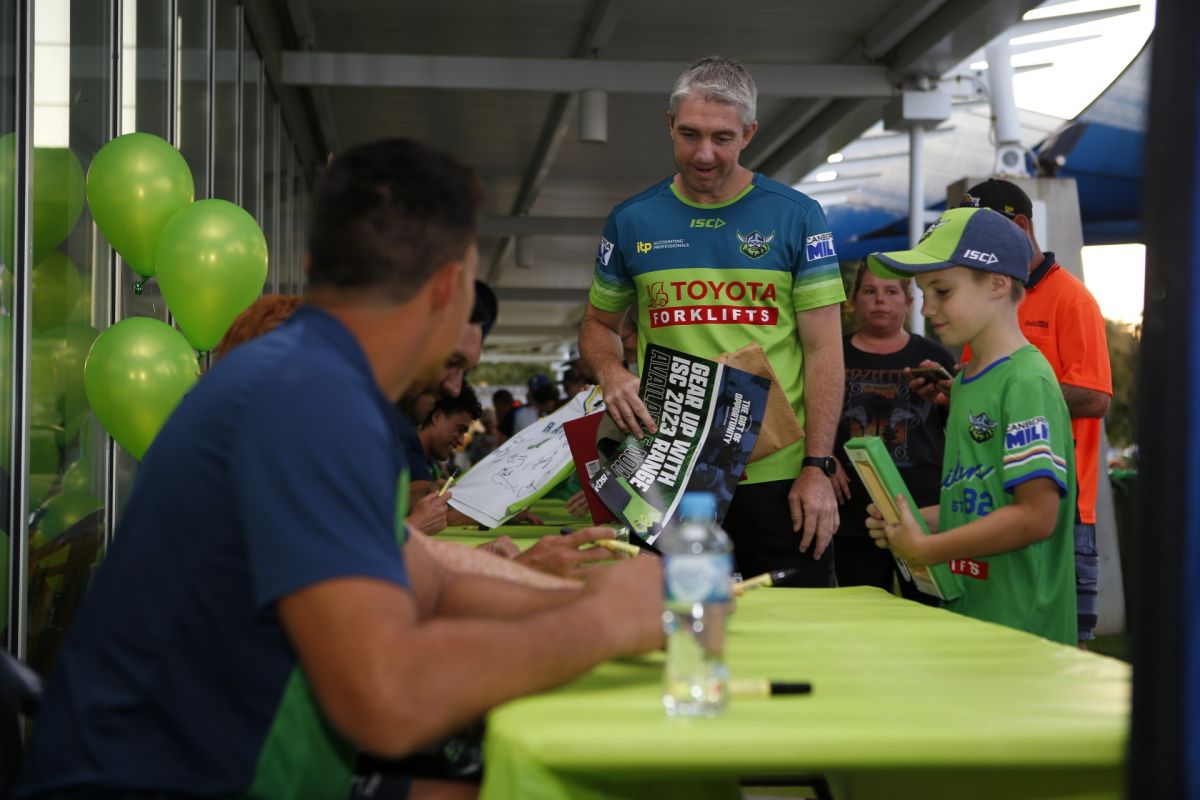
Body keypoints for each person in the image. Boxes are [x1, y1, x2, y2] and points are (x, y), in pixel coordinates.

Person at [16, 138, 662, 799]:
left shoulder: (309, 377)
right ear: (448, 288)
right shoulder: (311, 400)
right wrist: (599, 625)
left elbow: (430, 587)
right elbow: (385, 699)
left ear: (312, 264)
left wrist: (599, 599)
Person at [578, 55, 846, 587]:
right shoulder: (632, 220)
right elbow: (598, 324)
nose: (704, 154)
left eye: (722, 138)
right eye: (690, 134)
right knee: (670, 630)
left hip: (779, 475)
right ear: (669, 125)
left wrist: (818, 467)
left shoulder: (797, 215)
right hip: (670, 479)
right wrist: (611, 372)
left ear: (749, 132)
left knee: (800, 634)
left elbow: (824, 349)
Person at [863, 206, 1077, 645]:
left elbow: (1036, 517)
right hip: (970, 617)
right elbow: (976, 501)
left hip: (1022, 631)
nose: (928, 308)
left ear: (998, 283)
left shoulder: (1026, 381)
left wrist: (927, 549)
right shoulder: (965, 383)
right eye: (923, 293)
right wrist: (911, 522)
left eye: (942, 290)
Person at [957, 179, 1113, 647]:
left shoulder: (1073, 299)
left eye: (982, 236)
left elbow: (1096, 397)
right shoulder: (990, 298)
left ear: (1021, 226)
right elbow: (980, 386)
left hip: (1063, 511)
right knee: (993, 643)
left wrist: (1015, 392)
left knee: (1065, 650)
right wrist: (952, 389)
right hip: (989, 503)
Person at [832, 264, 954, 604]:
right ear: (853, 301)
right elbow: (804, 416)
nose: (879, 301)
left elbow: (959, 428)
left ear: (908, 301)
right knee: (861, 616)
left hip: (923, 511)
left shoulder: (934, 358)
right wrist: (824, 460)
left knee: (931, 613)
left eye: (890, 292)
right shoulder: (831, 354)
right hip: (852, 515)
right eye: (869, 291)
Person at [418, 384, 483, 480]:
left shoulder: (431, 465)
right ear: (437, 417)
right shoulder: (402, 462)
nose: (461, 441)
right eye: (460, 429)